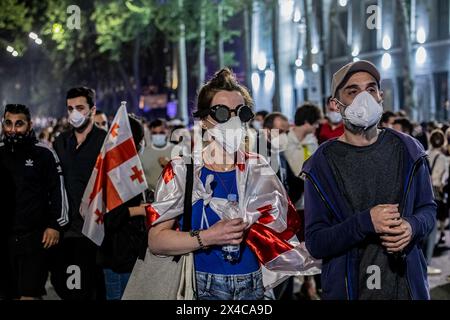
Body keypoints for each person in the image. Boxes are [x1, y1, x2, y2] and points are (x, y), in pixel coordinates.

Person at [142, 68, 319, 300]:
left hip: (254, 287)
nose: (234, 121)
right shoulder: (182, 170)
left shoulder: (259, 168)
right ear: (205, 120)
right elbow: (156, 241)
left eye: (241, 113)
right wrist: (208, 236)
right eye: (223, 113)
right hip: (199, 288)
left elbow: (282, 233)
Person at [302, 60, 436, 300]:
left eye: (371, 89)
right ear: (336, 104)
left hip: (407, 289)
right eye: (352, 91)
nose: (364, 98)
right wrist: (365, 222)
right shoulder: (320, 164)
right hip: (350, 291)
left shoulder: (409, 150)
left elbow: (427, 209)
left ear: (380, 96)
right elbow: (316, 242)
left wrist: (412, 226)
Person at [0, 104, 69, 300]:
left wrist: (55, 225)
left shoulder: (44, 153)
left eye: (19, 124)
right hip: (4, 240)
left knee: (29, 295)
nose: (13, 129)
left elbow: (58, 191)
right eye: (8, 123)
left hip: (35, 238)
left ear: (29, 125)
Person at [51, 87, 107, 300]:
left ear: (92, 110)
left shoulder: (105, 142)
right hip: (66, 230)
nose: (74, 113)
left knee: (92, 288)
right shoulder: (60, 142)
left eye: (80, 107)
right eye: (70, 108)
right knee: (66, 286)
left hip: (94, 230)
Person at [97, 114, 148, 300]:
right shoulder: (115, 170)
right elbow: (110, 216)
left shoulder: (126, 165)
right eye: (141, 139)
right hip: (117, 257)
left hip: (129, 254)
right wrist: (141, 210)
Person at [424, 130, 448, 276]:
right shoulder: (443, 158)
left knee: (424, 226)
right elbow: (441, 179)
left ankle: (421, 261)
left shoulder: (425, 153)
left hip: (423, 191)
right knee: (432, 230)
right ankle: (426, 263)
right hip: (435, 193)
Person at [284, 103, 322, 177]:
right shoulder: (285, 140)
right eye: (316, 123)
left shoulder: (312, 141)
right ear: (307, 122)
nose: (317, 126)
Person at [140, 119, 174, 193]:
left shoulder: (177, 151)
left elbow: (184, 175)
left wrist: (170, 165)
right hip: (150, 198)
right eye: (154, 133)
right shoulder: (143, 153)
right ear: (150, 133)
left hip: (171, 197)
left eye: (161, 133)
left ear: (167, 132)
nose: (158, 136)